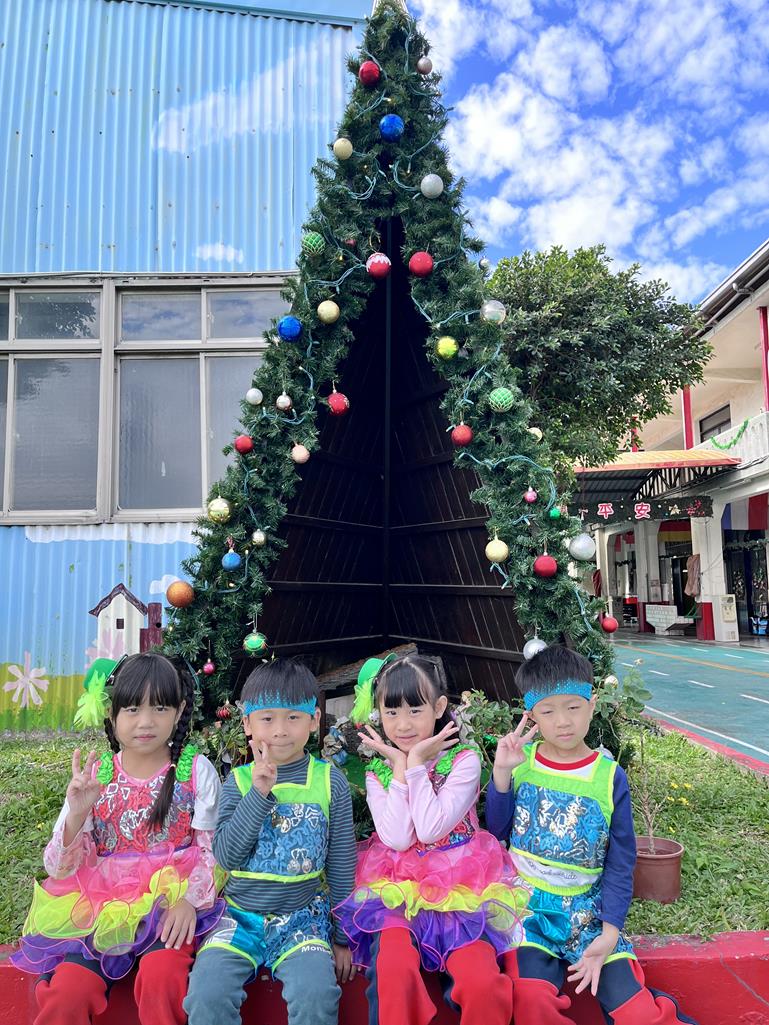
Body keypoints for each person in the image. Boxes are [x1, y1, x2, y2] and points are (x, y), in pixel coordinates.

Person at [486, 644, 699, 1025]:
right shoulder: (522, 764)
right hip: (526, 911)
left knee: (636, 1013)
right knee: (531, 1002)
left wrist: (609, 932)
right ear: (531, 715)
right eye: (548, 711)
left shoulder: (608, 776)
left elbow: (620, 860)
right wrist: (501, 774)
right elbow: (497, 831)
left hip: (588, 915)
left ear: (592, 704)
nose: (562, 722)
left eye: (573, 707)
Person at [12, 652, 224, 1025]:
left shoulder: (195, 771)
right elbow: (59, 868)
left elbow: (213, 851)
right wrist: (77, 814)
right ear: (112, 714)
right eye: (132, 709)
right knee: (68, 991)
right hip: (102, 909)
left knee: (163, 979)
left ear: (179, 711)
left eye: (160, 708)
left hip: (169, 908)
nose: (146, 721)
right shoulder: (97, 777)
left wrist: (189, 901)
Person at [335, 653, 529, 1025]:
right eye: (391, 712)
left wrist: (413, 766)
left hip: (462, 887)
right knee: (392, 970)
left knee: (481, 983)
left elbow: (429, 828)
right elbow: (397, 838)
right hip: (398, 889)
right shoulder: (378, 772)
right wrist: (401, 771)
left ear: (439, 707)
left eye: (415, 710)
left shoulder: (463, 761)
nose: (403, 724)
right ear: (378, 713)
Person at [184, 658, 357, 1025]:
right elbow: (227, 856)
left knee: (316, 995)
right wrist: (259, 792)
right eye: (267, 718)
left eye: (293, 717)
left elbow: (341, 865)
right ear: (247, 724)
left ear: (314, 720)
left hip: (303, 920)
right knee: (206, 993)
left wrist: (343, 937)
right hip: (237, 918)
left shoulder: (330, 782)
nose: (280, 730)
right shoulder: (239, 782)